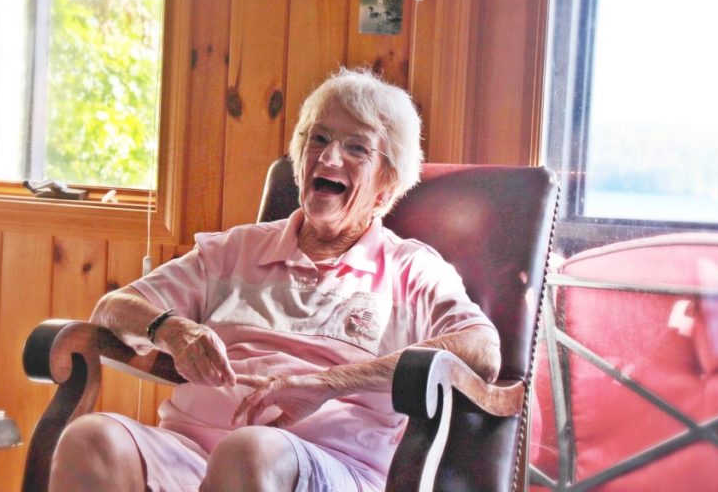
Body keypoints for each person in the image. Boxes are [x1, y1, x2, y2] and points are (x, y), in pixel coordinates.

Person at [49, 68, 500, 491]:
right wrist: (171, 329)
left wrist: (330, 384)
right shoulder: (234, 251)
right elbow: (112, 309)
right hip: (188, 452)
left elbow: (482, 349)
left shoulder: (410, 270)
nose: (328, 156)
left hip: (330, 466)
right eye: (318, 138)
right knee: (90, 439)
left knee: (249, 452)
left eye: (356, 148)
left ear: (387, 183)